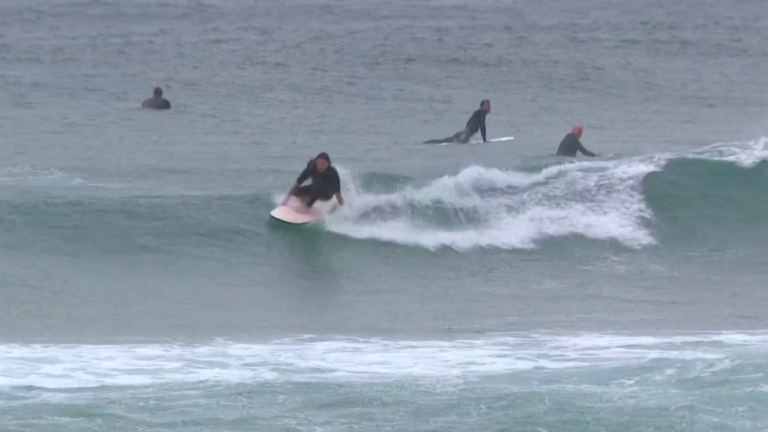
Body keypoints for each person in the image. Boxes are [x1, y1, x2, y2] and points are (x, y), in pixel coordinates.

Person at [423, 99, 490, 144]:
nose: (489, 107)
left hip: (466, 131)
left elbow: (470, 122)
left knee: (446, 140)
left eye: (489, 106)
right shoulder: (482, 111)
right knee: (460, 143)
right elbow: (482, 126)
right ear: (483, 106)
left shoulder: (477, 112)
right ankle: (428, 143)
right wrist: (484, 140)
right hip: (468, 131)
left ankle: (428, 142)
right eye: (487, 105)